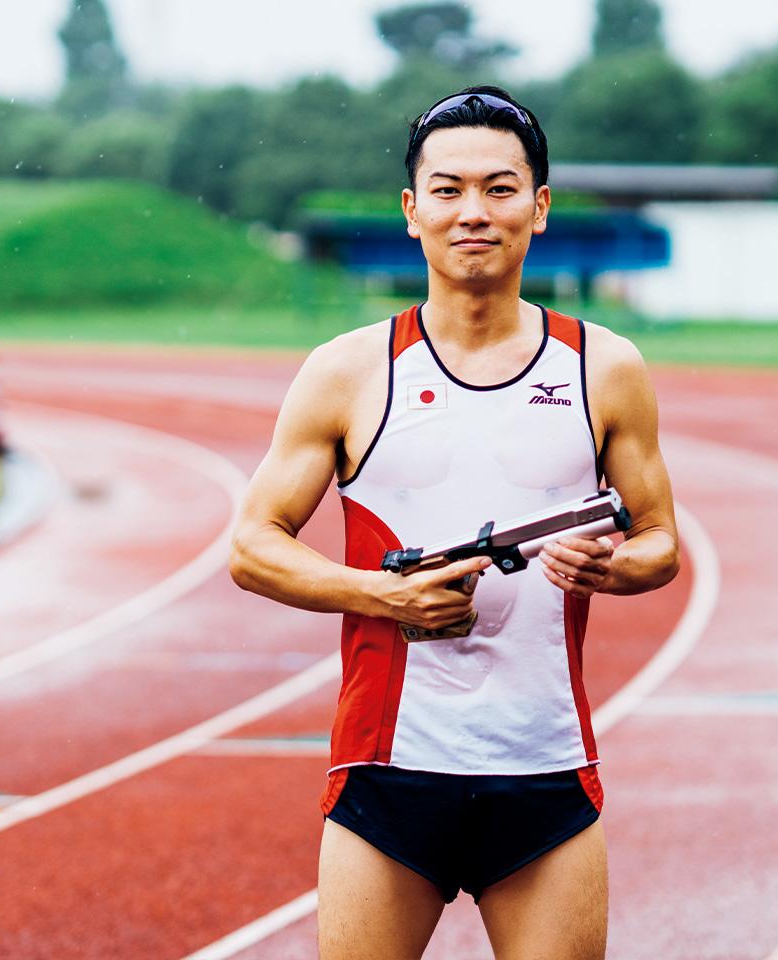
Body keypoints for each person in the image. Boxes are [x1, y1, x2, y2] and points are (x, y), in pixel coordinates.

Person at [229, 85, 679, 960]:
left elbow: (660, 539)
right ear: (412, 211)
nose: (474, 211)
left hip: (544, 771)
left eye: (501, 188)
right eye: (448, 189)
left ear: (539, 208)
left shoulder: (604, 367)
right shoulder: (347, 371)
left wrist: (614, 570)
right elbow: (251, 546)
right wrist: (381, 596)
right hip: (387, 777)